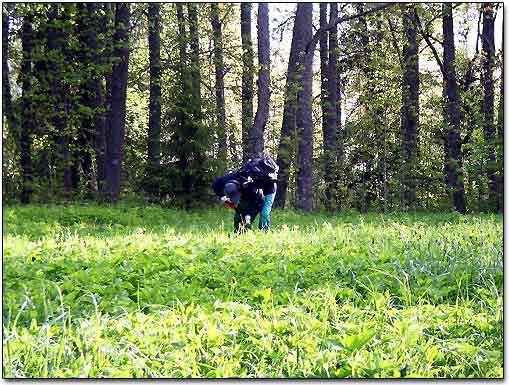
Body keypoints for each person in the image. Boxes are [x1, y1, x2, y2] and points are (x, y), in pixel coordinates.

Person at [212, 154, 277, 232]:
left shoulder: (250, 187)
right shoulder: (232, 176)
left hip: (269, 188)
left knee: (264, 213)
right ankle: (240, 233)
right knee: (239, 217)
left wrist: (248, 218)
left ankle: (264, 233)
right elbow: (216, 184)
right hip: (253, 191)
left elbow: (255, 203)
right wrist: (223, 197)